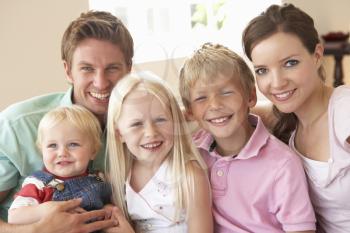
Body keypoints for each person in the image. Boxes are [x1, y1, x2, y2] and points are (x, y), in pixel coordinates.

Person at [0, 10, 133, 232]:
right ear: (68, 71)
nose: (101, 83)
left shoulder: (141, 127)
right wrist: (36, 230)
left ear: (128, 69)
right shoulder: (17, 126)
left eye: (112, 68)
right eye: (87, 69)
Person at [179, 42, 316, 233]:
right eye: (201, 98)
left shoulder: (283, 164)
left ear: (251, 96)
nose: (215, 105)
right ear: (190, 111)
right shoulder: (191, 152)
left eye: (226, 92)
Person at [242, 3, 350, 233]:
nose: (277, 82)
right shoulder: (284, 119)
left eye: (290, 63)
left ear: (317, 55)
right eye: (262, 70)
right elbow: (230, 109)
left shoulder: (344, 112)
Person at [105, 72, 213, 233]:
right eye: (136, 124)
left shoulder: (189, 175)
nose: (151, 132)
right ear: (119, 133)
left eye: (160, 120)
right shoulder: (120, 179)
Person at [8, 105, 111, 224]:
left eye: (73, 144)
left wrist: (107, 209)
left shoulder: (99, 178)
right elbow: (14, 217)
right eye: (53, 146)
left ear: (93, 151)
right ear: (42, 151)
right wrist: (45, 210)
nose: (62, 153)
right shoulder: (38, 184)